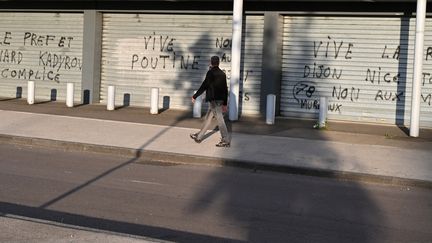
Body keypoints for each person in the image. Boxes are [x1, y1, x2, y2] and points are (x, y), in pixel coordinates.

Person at [190, 56, 231, 147]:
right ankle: (199, 136)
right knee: (208, 118)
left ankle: (225, 140)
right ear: (218, 63)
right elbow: (225, 90)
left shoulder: (210, 73)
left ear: (211, 62)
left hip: (214, 101)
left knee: (220, 120)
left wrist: (195, 96)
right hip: (219, 101)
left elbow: (204, 85)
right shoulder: (222, 74)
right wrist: (225, 103)